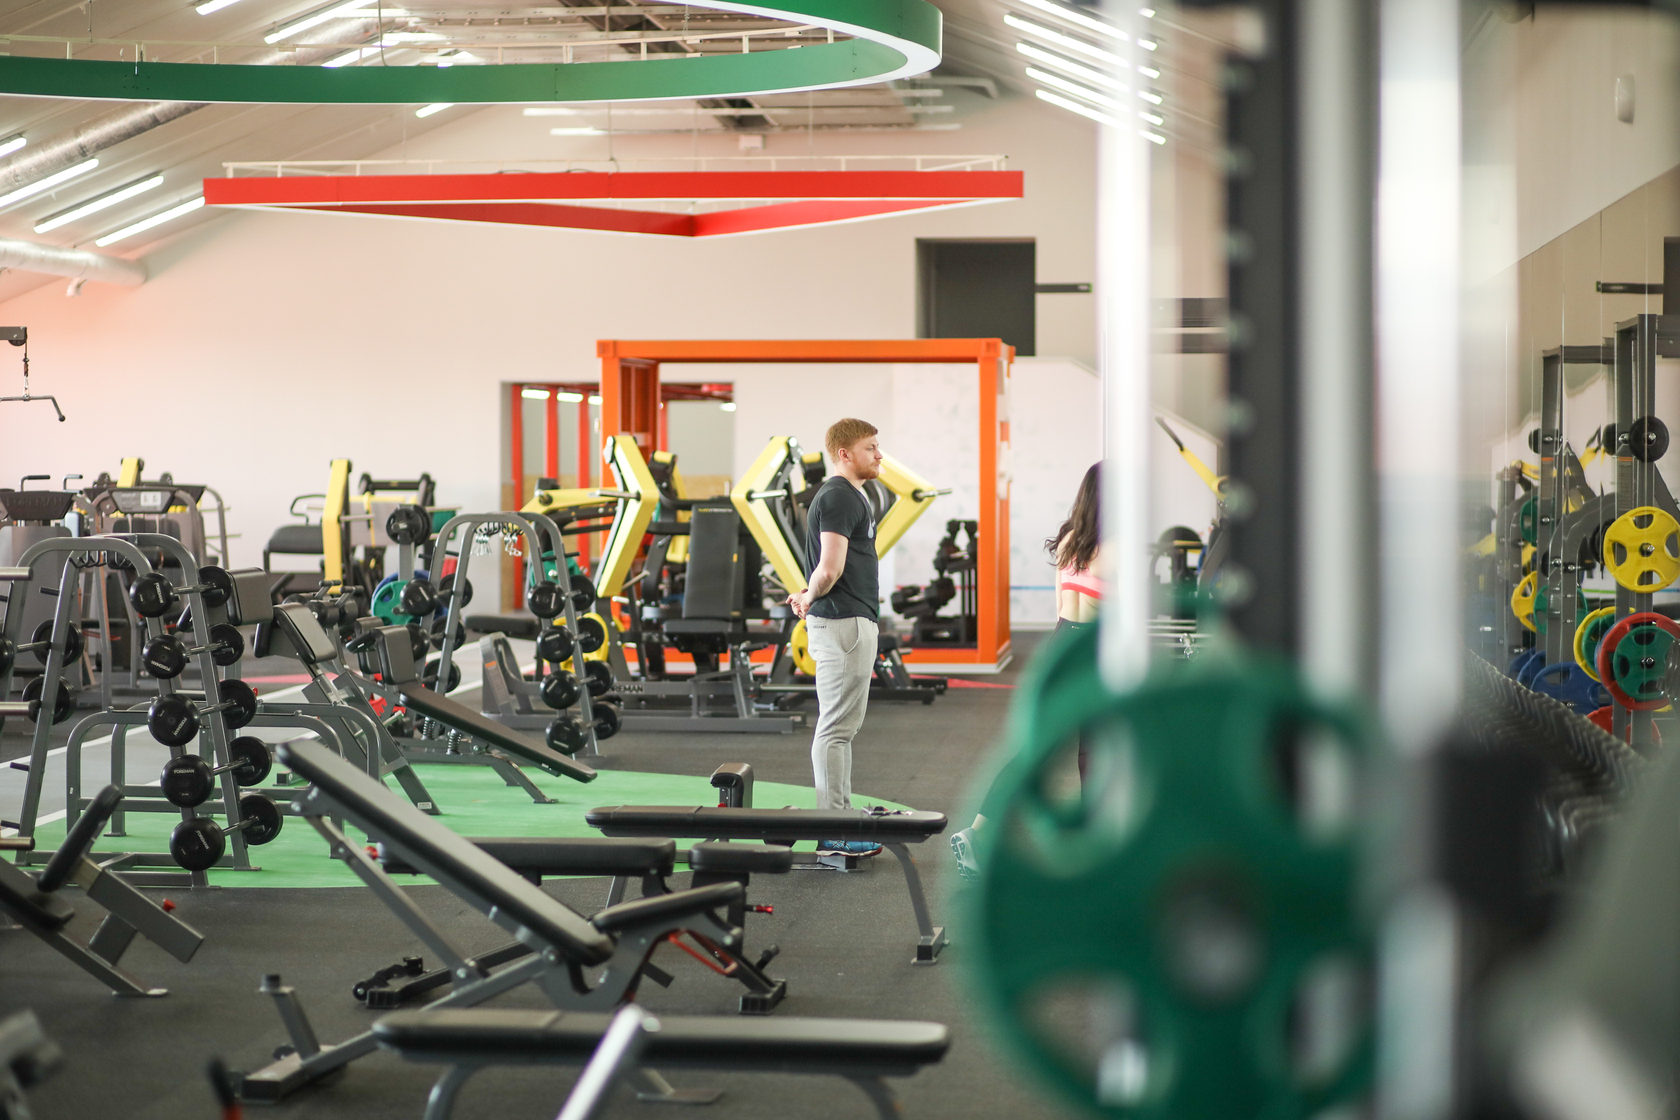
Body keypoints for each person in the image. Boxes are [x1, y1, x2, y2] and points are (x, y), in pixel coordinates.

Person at [950, 461, 1102, 878]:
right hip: (1091, 649)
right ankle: (1092, 846)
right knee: (1096, 750)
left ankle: (978, 833)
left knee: (1033, 749)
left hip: (1061, 642)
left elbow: (1059, 605)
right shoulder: (1115, 549)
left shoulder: (1070, 539)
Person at [787, 418, 886, 857]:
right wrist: (810, 595)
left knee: (841, 729)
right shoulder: (839, 496)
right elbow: (829, 568)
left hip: (848, 621)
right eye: (870, 447)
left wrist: (807, 593)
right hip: (843, 623)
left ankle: (840, 818)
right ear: (844, 454)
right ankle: (834, 829)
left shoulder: (849, 496)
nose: (879, 454)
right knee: (834, 730)